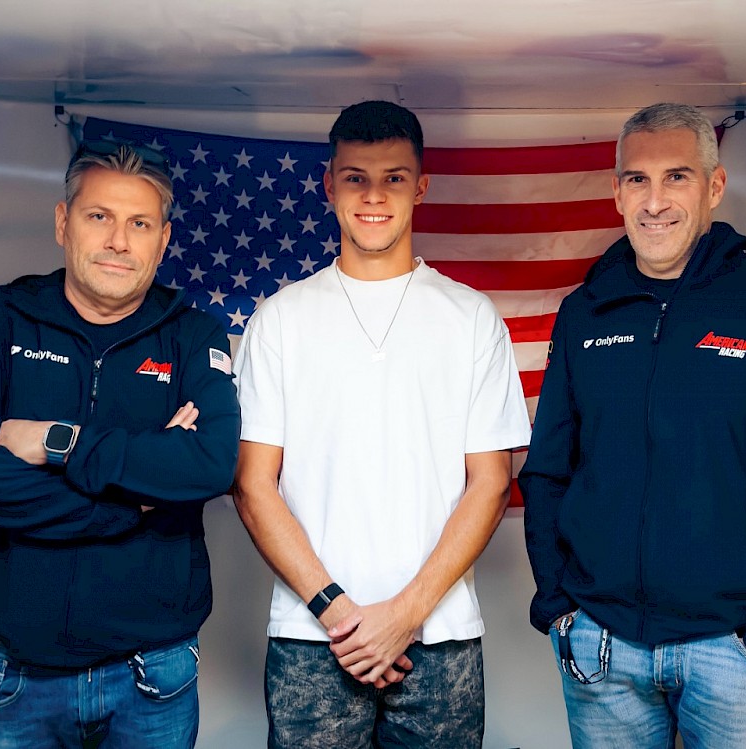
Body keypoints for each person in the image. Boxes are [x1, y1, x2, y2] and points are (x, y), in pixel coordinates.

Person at [520, 102, 746, 748]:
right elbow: (547, 471)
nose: (655, 201)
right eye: (638, 179)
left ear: (714, 186)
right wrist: (560, 606)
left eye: (676, 177)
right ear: (617, 192)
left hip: (737, 656)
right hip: (602, 649)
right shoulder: (584, 314)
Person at [232, 100, 531, 748]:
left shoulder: (471, 318)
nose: (374, 196)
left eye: (393, 177)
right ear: (329, 185)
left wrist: (406, 613)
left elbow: (490, 482)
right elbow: (253, 486)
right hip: (312, 636)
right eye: (356, 177)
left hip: (440, 635)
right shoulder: (280, 319)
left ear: (420, 187)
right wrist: (338, 611)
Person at [0, 140, 240, 748]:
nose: (119, 241)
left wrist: (59, 443)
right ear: (63, 222)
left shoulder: (193, 334)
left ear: (163, 240)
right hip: (15, 674)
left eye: (139, 224)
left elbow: (210, 465)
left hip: (154, 672)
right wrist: (131, 501)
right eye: (100, 216)